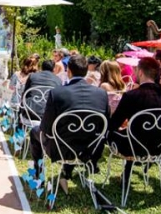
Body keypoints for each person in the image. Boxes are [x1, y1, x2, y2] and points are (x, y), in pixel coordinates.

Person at [30, 55, 109, 191]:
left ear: (69, 72)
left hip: (60, 150)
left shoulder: (57, 93)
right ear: (86, 71)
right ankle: (66, 172)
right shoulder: (101, 94)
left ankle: (38, 174)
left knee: (34, 132)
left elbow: (46, 127)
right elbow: (106, 125)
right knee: (76, 135)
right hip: (90, 149)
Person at [108, 57, 161, 156]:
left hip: (133, 147)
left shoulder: (131, 95)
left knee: (110, 132)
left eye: (136, 70)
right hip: (160, 147)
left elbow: (114, 123)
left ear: (140, 72)